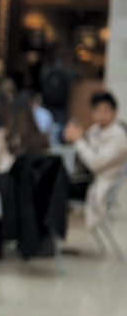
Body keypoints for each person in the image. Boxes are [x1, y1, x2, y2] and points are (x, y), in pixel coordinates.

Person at [63, 91, 127, 229]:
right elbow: (83, 153)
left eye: (106, 111)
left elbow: (95, 164)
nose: (102, 115)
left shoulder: (119, 136)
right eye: (98, 111)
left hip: (97, 184)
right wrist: (74, 136)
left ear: (114, 111)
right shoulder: (95, 129)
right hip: (85, 179)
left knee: (53, 187)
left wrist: (78, 140)